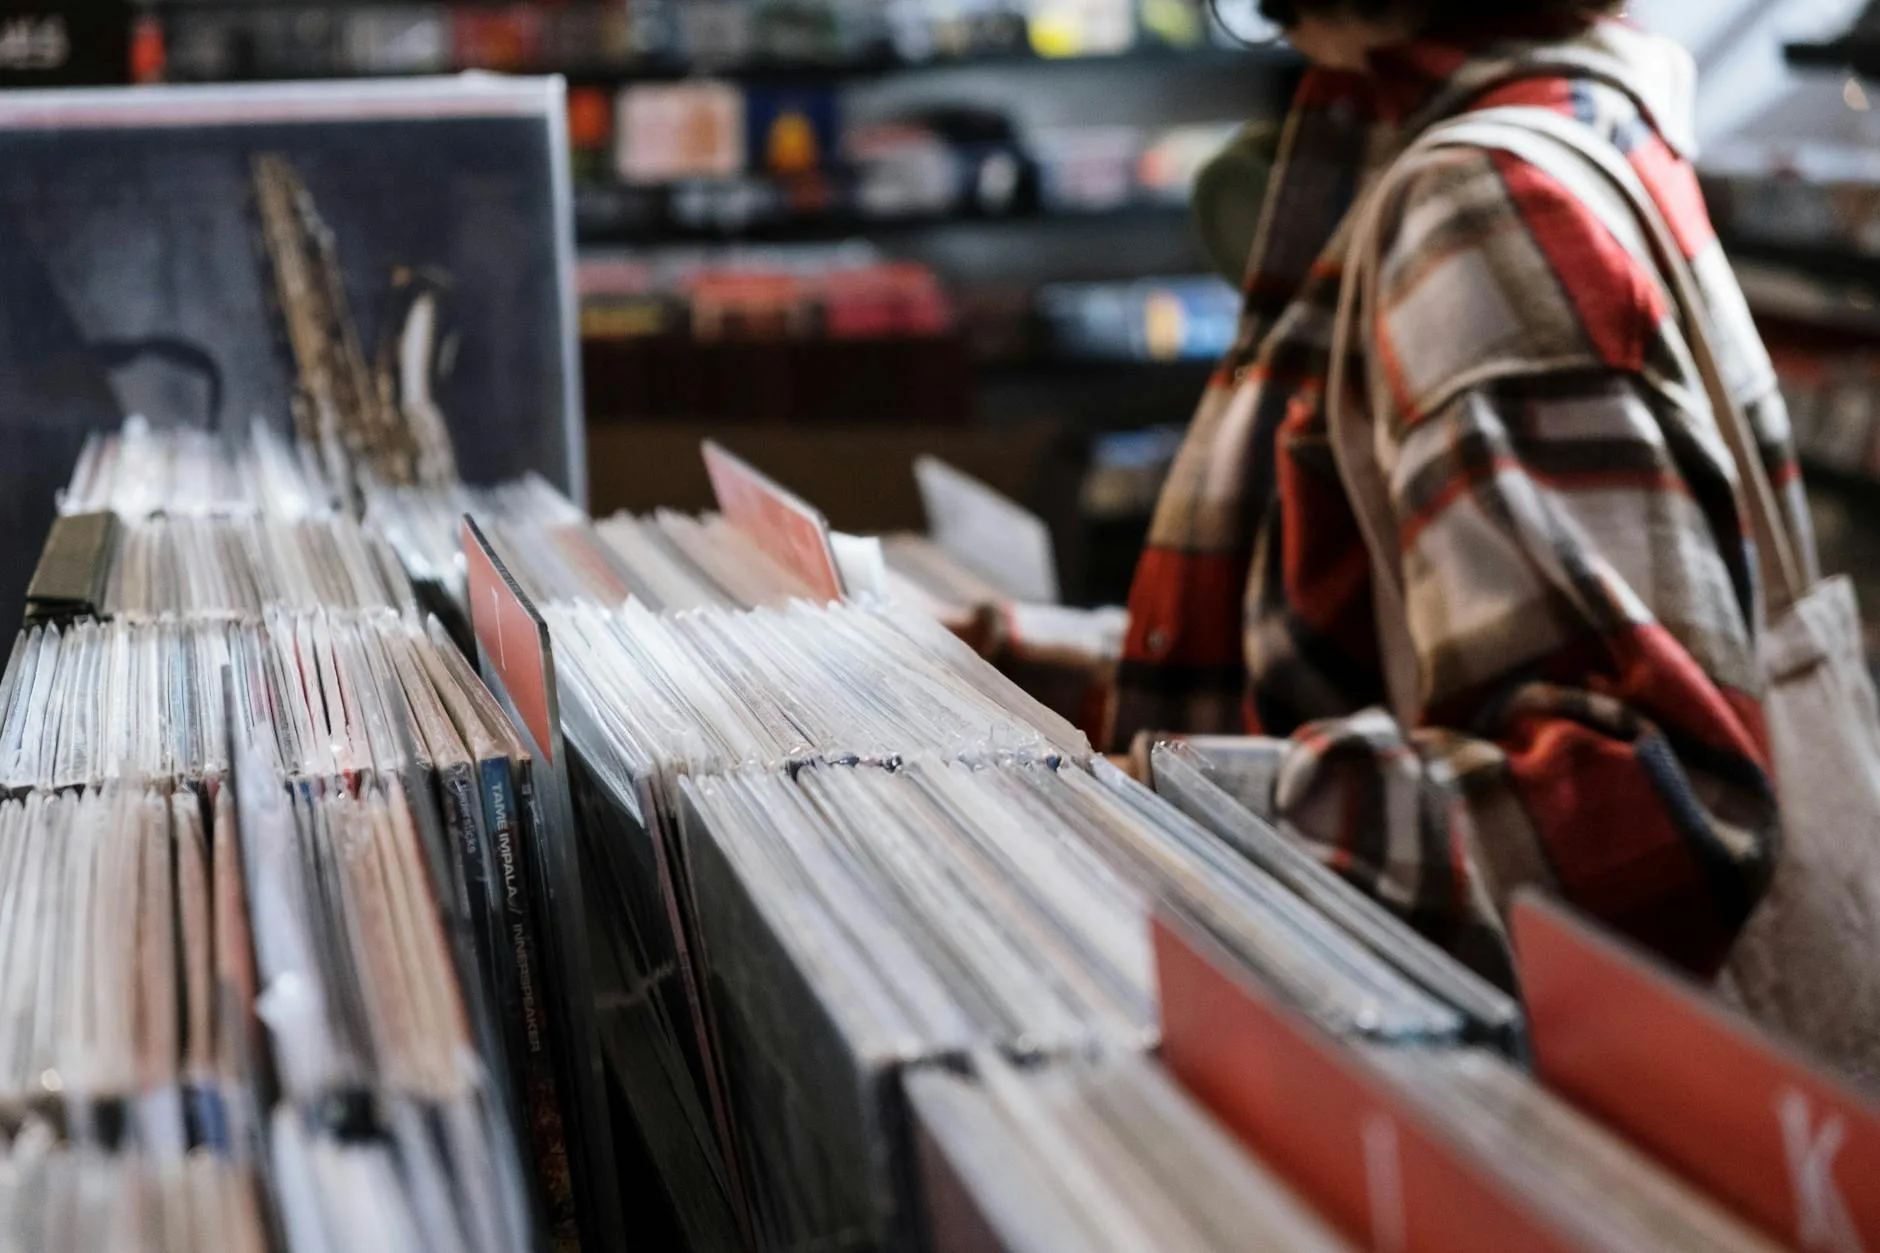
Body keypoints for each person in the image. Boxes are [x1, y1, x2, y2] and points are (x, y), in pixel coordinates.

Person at [1113, 0, 1812, 985]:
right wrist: (1006, 672)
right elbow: (1319, 645)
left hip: (1431, 1091)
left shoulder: (1480, 194)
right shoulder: (1545, 107)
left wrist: (1156, 804)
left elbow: (1656, 812)